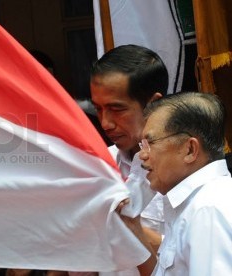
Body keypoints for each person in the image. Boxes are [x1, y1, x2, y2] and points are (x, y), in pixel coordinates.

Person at [69, 44, 169, 276]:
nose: (106, 123)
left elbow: (193, 251)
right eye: (98, 109)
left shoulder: (185, 172)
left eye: (117, 109)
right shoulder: (96, 167)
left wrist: (128, 227)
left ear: (152, 104)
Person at [120, 91, 232, 275]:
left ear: (190, 149)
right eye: (142, 146)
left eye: (151, 143)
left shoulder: (208, 209)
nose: (142, 156)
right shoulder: (198, 203)